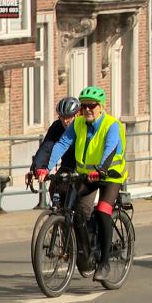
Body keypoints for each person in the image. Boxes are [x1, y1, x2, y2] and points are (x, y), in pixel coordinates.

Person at [37, 86, 127, 281]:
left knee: (103, 211)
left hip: (110, 176)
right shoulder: (77, 124)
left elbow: (110, 149)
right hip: (86, 175)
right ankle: (84, 252)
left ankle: (104, 263)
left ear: (101, 107)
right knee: (74, 208)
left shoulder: (112, 125)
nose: (87, 109)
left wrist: (102, 169)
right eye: (84, 106)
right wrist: (46, 167)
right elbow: (62, 144)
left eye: (91, 106)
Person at [28, 97, 80, 196]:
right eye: (62, 117)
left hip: (87, 165)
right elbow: (47, 148)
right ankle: (60, 211)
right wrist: (39, 168)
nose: (65, 121)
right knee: (55, 188)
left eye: (68, 117)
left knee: (80, 199)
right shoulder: (57, 126)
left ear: (76, 115)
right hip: (68, 163)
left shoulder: (84, 126)